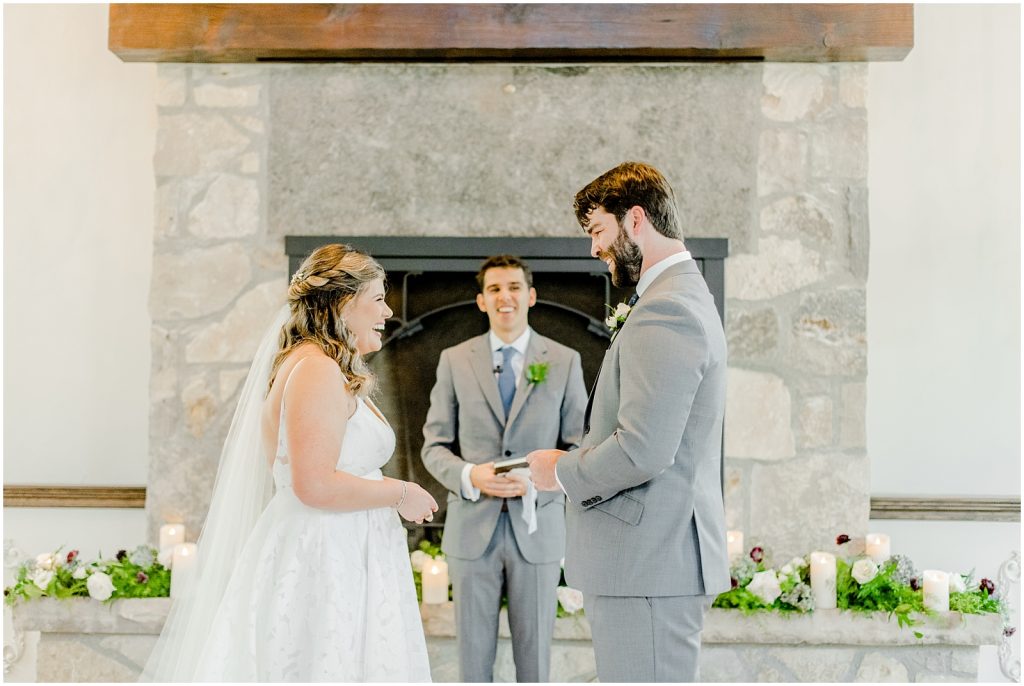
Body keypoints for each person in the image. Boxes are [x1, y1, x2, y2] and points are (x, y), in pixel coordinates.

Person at [142, 244, 436, 682]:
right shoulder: (316, 369)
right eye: (377, 299)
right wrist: (401, 492)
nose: (388, 312)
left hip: (339, 546)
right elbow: (313, 484)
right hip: (323, 555)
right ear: (342, 304)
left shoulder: (319, 365)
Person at [527, 162, 730, 682]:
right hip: (649, 565)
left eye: (598, 230)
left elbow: (644, 449)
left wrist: (563, 471)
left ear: (635, 219)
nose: (594, 248)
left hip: (650, 566)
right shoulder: (677, 296)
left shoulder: (670, 309)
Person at [421, 254, 587, 682]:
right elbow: (434, 446)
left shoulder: (565, 361)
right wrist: (469, 476)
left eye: (513, 287)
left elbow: (579, 445)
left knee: (535, 664)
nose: (505, 297)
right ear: (481, 301)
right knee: (473, 664)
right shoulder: (454, 360)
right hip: (471, 532)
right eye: (494, 289)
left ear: (530, 296)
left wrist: (539, 479)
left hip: (539, 531)